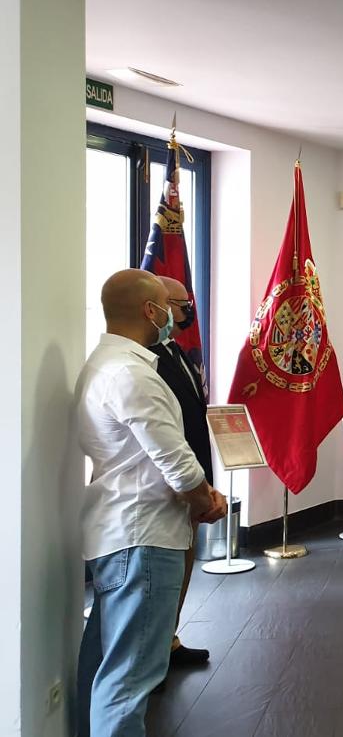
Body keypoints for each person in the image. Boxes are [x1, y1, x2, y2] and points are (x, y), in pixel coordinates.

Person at [77, 269, 228, 737]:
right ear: (150, 311)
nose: (175, 315)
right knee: (128, 681)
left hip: (118, 533)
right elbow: (175, 460)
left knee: (103, 668)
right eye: (169, 304)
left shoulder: (105, 362)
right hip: (143, 537)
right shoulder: (131, 374)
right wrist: (205, 500)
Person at [151, 276, 214, 668]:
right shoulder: (145, 361)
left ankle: (168, 640)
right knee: (165, 570)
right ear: (156, 308)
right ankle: (153, 652)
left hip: (192, 477)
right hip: (167, 485)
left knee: (185, 559)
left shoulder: (176, 350)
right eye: (180, 304)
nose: (186, 310)